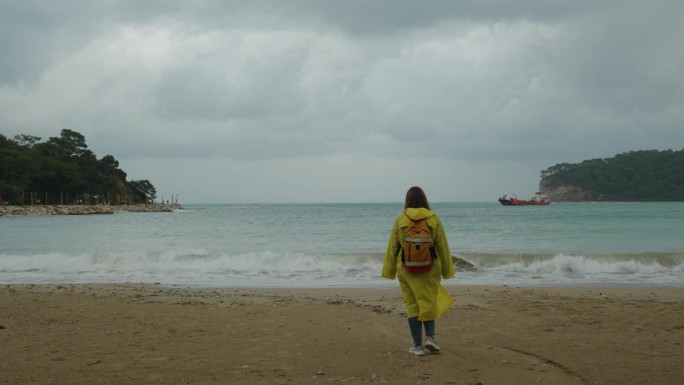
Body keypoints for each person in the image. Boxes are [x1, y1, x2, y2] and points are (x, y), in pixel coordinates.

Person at [382, 186, 455, 356]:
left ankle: (417, 346)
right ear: (424, 199)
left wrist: (389, 270)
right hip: (430, 268)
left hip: (406, 269)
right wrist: (447, 270)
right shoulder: (433, 218)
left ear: (407, 200)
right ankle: (430, 338)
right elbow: (442, 246)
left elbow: (393, 247)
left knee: (412, 305)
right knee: (429, 301)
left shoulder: (400, 219)